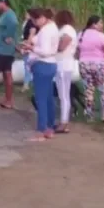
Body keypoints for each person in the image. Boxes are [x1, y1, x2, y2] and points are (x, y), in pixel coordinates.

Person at [21, 8, 59, 141]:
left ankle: (41, 130)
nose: (34, 22)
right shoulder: (51, 28)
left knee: (41, 99)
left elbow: (45, 51)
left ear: (43, 17)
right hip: (51, 65)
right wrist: (29, 42)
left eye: (35, 19)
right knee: (48, 98)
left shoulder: (46, 31)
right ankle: (49, 127)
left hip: (42, 64)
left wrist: (31, 48)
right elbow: (36, 40)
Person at [78, 15, 104, 124]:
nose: (102, 25)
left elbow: (78, 50)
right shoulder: (101, 36)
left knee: (88, 90)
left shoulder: (81, 34)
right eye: (100, 23)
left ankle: (89, 115)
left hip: (84, 64)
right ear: (94, 24)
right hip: (99, 65)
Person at [53, 9, 78, 133]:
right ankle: (63, 121)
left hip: (64, 64)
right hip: (63, 64)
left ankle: (64, 122)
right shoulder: (65, 30)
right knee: (63, 94)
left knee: (64, 95)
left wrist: (51, 46)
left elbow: (62, 47)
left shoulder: (67, 30)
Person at [20, 11, 37, 92]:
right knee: (26, 64)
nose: (25, 15)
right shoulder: (26, 22)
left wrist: (27, 44)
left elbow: (32, 33)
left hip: (29, 44)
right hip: (25, 42)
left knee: (28, 64)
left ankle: (27, 83)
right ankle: (28, 82)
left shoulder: (32, 23)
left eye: (27, 14)